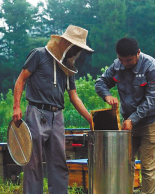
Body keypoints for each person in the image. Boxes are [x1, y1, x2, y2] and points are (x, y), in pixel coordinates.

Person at [12, 25, 94, 194]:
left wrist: (91, 119)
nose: (77, 52)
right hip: (36, 111)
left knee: (59, 161)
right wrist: (16, 106)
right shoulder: (39, 54)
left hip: (58, 115)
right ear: (65, 43)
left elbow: (74, 96)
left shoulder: (68, 66)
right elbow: (20, 80)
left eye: (79, 49)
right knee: (33, 161)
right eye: (75, 47)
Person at [95, 37, 155, 194]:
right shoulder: (117, 65)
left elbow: (152, 100)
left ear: (138, 53)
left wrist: (132, 120)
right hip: (128, 124)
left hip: (151, 121)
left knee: (148, 168)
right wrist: (107, 96)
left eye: (128, 60)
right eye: (121, 60)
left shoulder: (151, 68)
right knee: (123, 165)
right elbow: (100, 83)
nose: (124, 63)